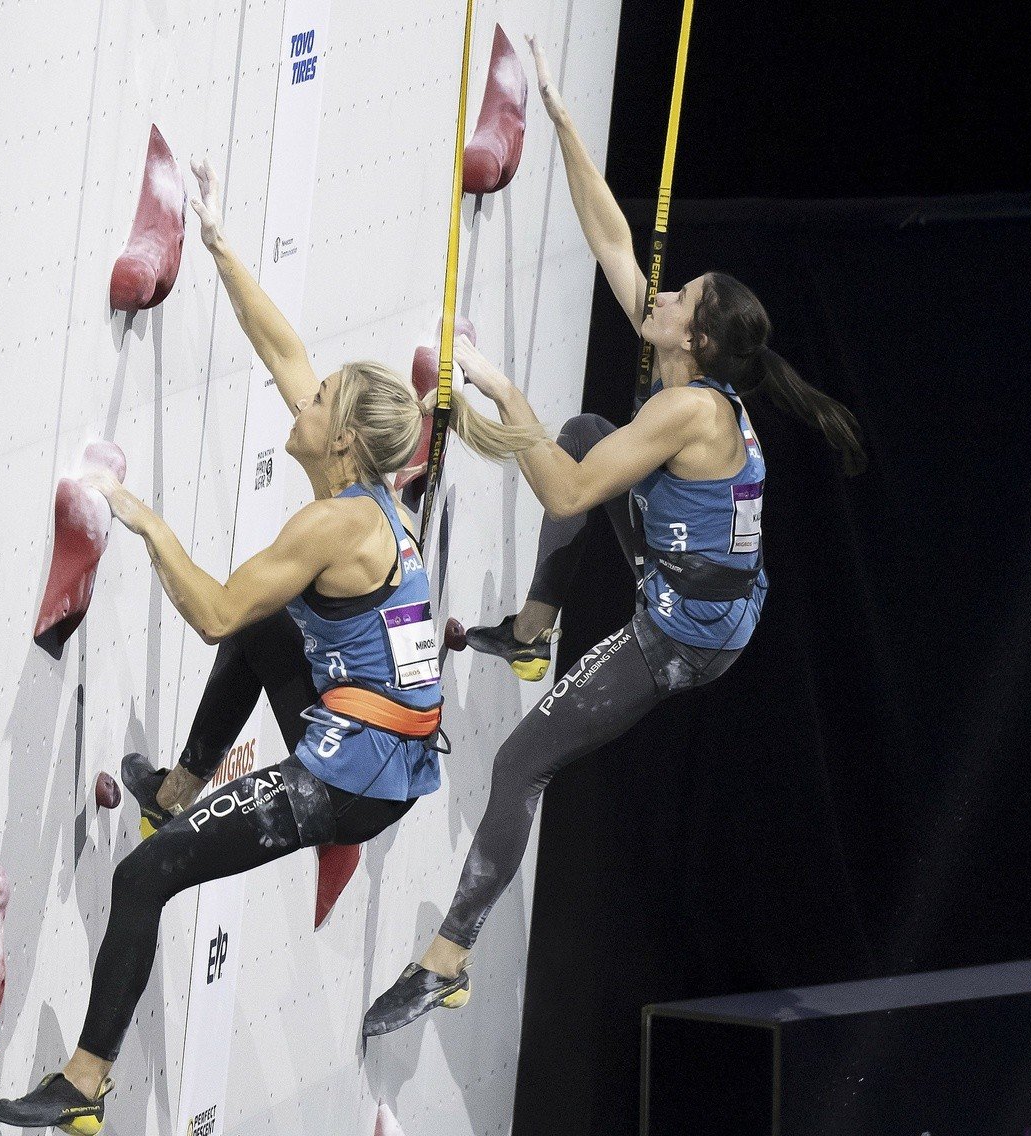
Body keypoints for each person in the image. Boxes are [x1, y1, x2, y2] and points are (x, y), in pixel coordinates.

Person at [0, 160, 540, 1134]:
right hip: (386, 740)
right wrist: (216, 239)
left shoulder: (334, 531)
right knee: (268, 621)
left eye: (319, 398)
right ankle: (178, 789)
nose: (304, 396)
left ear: (339, 443)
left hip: (352, 780)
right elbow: (281, 342)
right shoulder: (361, 488)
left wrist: (142, 520)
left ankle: (83, 1082)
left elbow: (208, 607)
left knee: (142, 877)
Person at [361, 36, 867, 1038]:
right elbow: (615, 248)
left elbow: (564, 481)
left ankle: (446, 959)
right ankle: (535, 628)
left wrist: (501, 392)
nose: (662, 298)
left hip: (684, 640)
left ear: (698, 341)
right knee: (592, 426)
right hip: (694, 577)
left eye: (679, 302)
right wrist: (558, 120)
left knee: (521, 766)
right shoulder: (684, 370)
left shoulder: (690, 416)